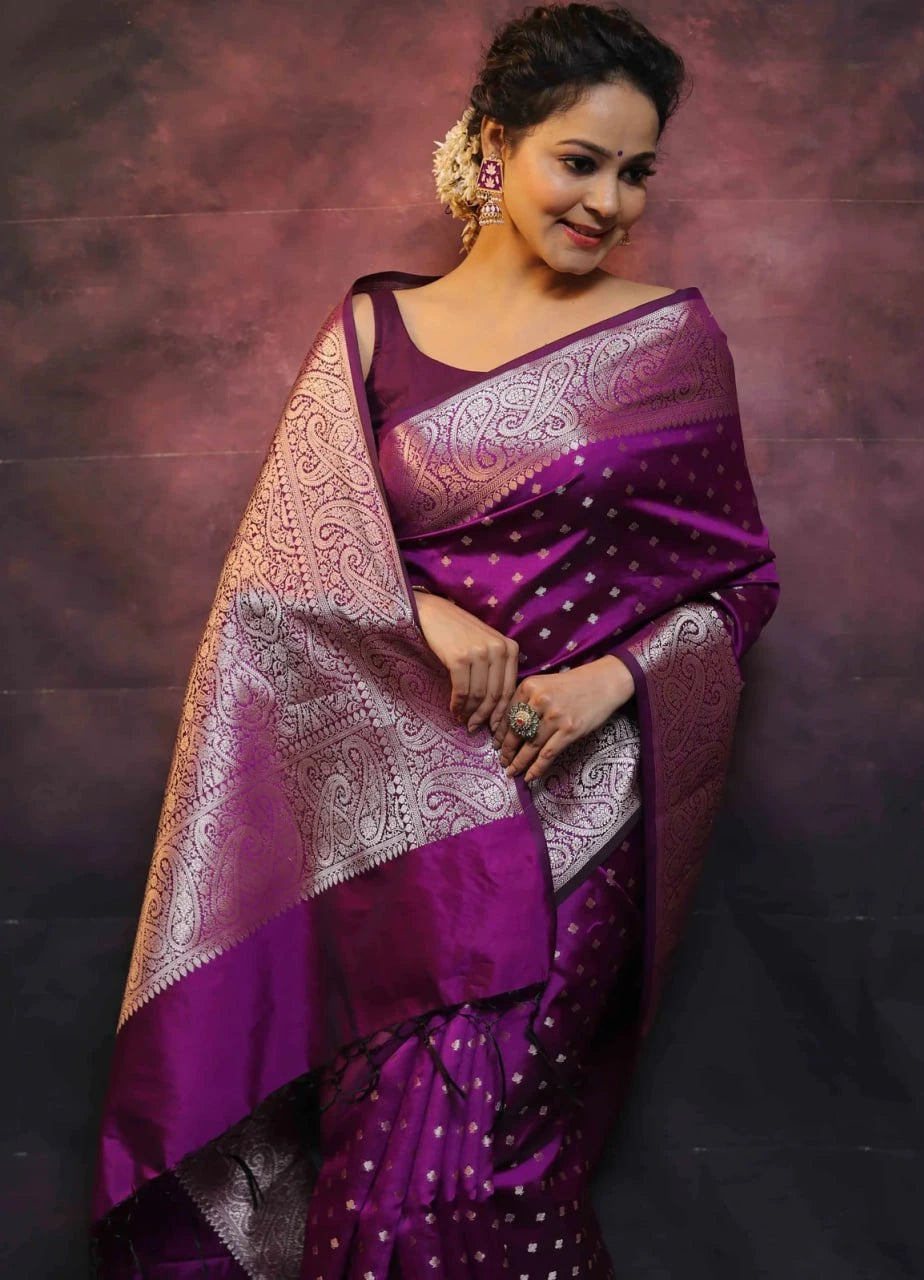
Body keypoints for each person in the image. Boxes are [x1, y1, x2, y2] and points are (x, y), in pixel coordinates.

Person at [91, 4, 780, 1276]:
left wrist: (606, 682)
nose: (608, 201)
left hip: (567, 821)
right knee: (375, 1162)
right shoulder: (372, 331)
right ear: (492, 147)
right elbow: (277, 580)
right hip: (381, 828)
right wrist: (413, 606)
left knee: (483, 1157)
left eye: (636, 172)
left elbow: (736, 582)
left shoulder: (668, 342)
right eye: (579, 160)